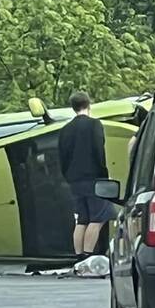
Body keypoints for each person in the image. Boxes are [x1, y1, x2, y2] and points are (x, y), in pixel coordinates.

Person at [58, 90, 115, 257]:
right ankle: (89, 255)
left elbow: (62, 157)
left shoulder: (65, 130)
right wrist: (104, 175)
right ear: (89, 105)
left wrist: (68, 177)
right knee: (98, 218)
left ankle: (78, 256)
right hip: (94, 179)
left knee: (81, 219)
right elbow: (99, 151)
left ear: (73, 107)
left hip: (74, 181)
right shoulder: (94, 125)